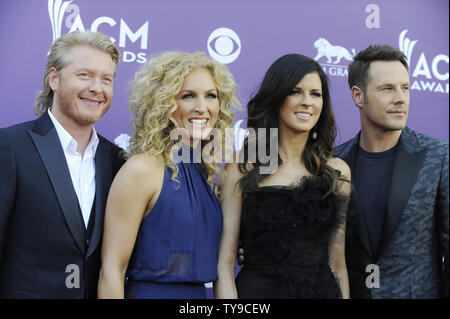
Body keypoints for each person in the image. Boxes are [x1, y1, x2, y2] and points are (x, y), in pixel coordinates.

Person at [97, 51, 239, 299]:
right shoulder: (142, 169)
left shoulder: (205, 174)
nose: (202, 107)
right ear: (164, 104)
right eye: (188, 96)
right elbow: (112, 270)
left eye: (211, 96)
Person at [215, 54, 351, 299]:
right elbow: (223, 265)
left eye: (315, 94)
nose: (307, 102)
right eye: (295, 91)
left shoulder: (336, 172)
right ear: (277, 98)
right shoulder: (243, 165)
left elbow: (337, 265)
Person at [0, 31, 124, 298]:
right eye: (84, 75)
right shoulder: (10, 146)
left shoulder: (118, 161)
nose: (97, 88)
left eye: (106, 79)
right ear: (54, 79)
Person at [334, 44, 449, 299]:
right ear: (358, 96)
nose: (401, 98)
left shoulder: (439, 156)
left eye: (405, 88)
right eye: (387, 89)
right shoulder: (333, 163)